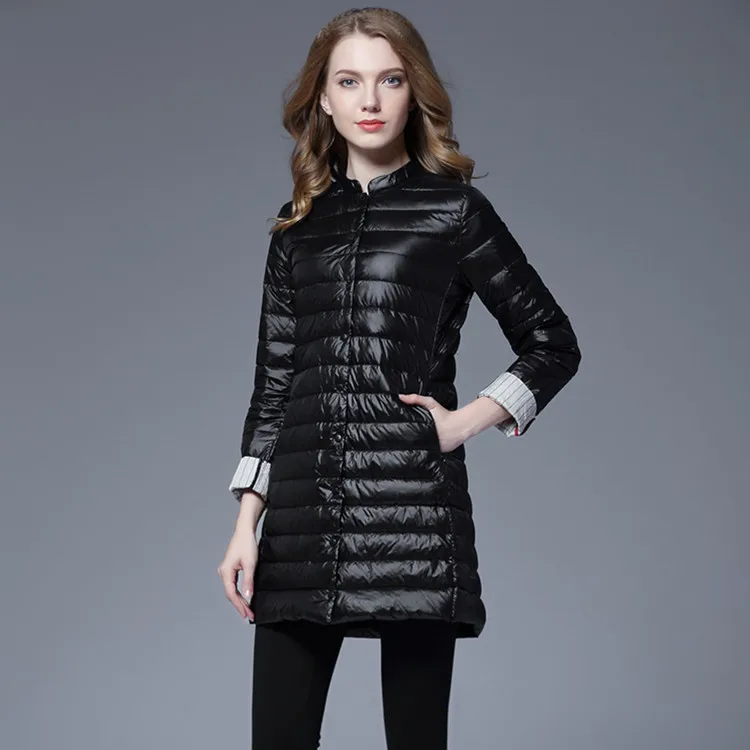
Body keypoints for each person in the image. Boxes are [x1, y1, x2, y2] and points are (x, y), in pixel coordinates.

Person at [217, 7, 581, 749]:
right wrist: (245, 524)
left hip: (413, 519)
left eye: (390, 80)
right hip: (300, 525)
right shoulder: (297, 227)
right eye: (350, 82)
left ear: (414, 93)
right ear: (323, 98)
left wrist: (465, 420)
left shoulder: (454, 210)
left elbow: (552, 341)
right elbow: (275, 384)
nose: (371, 100)